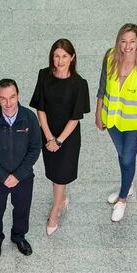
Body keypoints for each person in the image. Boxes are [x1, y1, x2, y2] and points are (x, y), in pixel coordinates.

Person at [95, 23, 137, 222]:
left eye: (131, 41)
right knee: (122, 156)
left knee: (128, 159)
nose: (127, 46)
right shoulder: (110, 57)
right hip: (112, 120)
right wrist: (98, 113)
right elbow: (102, 86)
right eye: (123, 41)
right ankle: (127, 185)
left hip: (133, 124)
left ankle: (122, 199)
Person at [30, 38, 91, 236]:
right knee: (54, 174)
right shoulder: (44, 75)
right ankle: (61, 199)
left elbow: (75, 118)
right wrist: (48, 137)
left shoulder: (79, 84)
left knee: (60, 178)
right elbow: (40, 107)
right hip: (48, 133)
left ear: (72, 57)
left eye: (64, 56)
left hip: (68, 138)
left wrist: (58, 140)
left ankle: (54, 213)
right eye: (56, 56)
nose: (60, 60)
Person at [0, 78, 41, 259]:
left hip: (24, 177)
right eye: (3, 98)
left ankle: (19, 237)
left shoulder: (29, 118)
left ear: (18, 95)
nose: (8, 103)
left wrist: (18, 175)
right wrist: (4, 176)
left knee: (22, 208)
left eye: (12, 97)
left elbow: (35, 149)